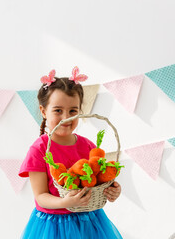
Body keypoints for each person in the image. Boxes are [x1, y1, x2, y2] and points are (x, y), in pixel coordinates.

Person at [18, 66, 123, 239]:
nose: (66, 117)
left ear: (80, 111)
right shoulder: (39, 149)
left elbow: (97, 180)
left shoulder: (88, 146)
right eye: (58, 110)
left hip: (88, 222)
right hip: (53, 226)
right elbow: (40, 196)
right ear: (44, 111)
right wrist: (65, 203)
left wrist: (111, 190)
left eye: (73, 111)